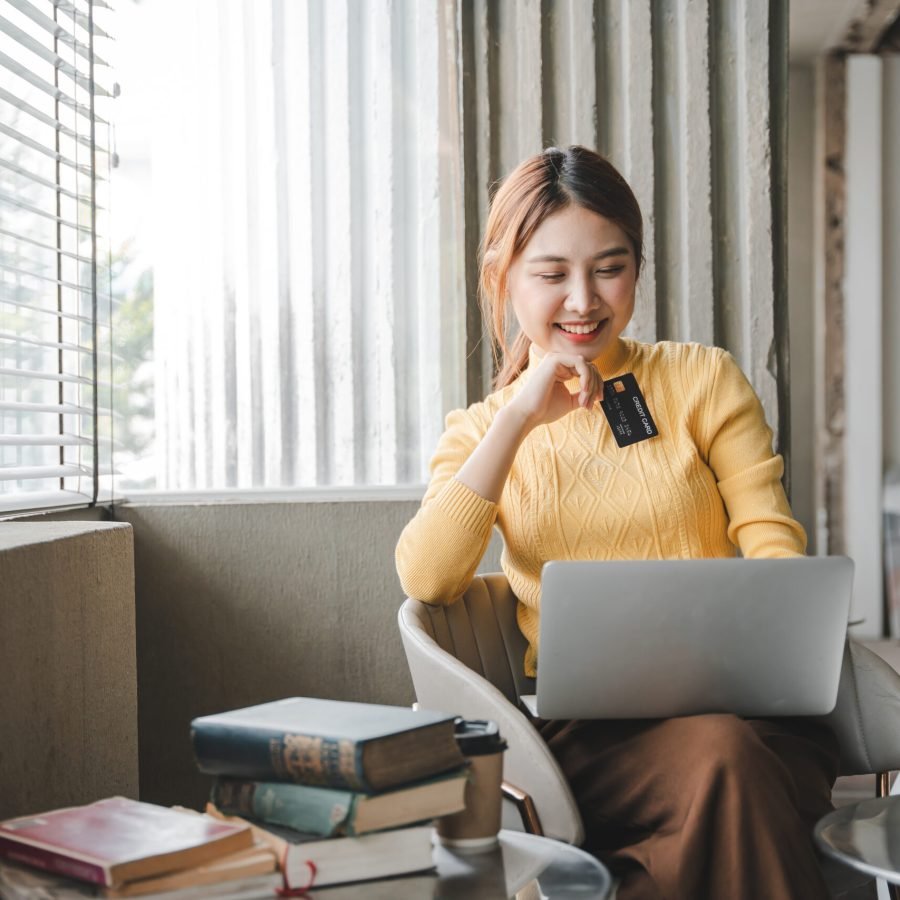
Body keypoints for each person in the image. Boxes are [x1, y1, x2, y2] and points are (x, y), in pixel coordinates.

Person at [394, 145, 838, 900]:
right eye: (552, 273)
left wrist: (792, 622)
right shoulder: (479, 432)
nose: (582, 300)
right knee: (728, 768)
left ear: (637, 265)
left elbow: (772, 540)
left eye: (609, 267)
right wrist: (522, 416)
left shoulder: (702, 380)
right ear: (505, 278)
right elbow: (428, 579)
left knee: (726, 761)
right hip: (594, 743)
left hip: (745, 713)